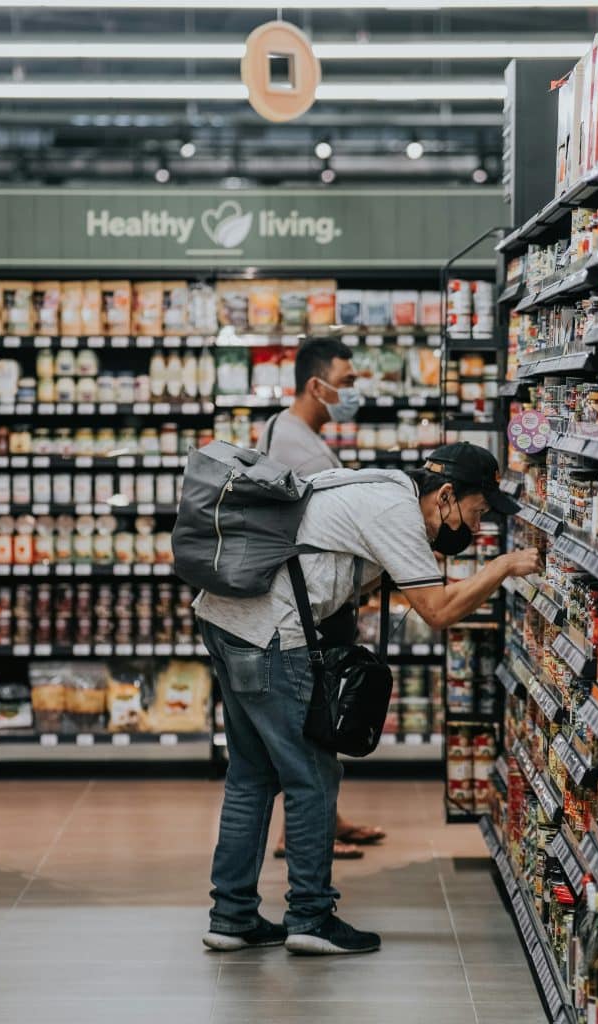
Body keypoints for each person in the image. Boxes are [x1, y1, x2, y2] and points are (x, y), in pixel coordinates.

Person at [197, 436, 541, 956]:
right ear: (445, 495)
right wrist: (503, 566)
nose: (477, 527)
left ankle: (232, 917)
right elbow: (439, 610)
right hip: (271, 637)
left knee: (252, 774)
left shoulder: (379, 484)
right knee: (312, 776)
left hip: (226, 621)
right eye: (477, 511)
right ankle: (310, 917)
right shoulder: (396, 511)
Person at [259, 337, 385, 861]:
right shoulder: (305, 449)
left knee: (314, 722)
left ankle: (326, 820)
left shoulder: (282, 427)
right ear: (318, 385)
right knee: (317, 720)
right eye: (348, 381)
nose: (354, 391)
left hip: (298, 599)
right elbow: (335, 532)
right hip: (310, 606)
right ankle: (305, 835)